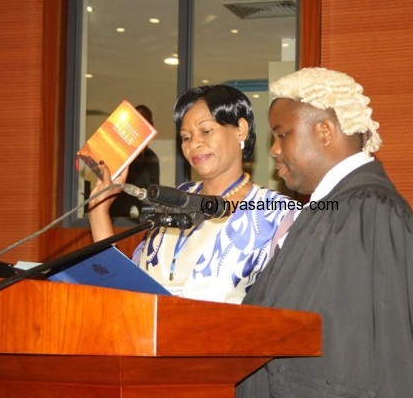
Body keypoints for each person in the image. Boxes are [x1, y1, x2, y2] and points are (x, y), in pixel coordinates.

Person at [237, 68, 413, 397]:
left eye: (282, 134)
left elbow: (385, 356)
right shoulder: (330, 209)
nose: (273, 149)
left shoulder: (372, 210)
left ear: (326, 131)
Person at [88, 85, 293, 303]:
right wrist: (98, 212)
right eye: (186, 137)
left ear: (241, 129)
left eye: (206, 131)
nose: (194, 144)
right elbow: (125, 289)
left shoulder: (276, 213)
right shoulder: (173, 199)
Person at [109, 104, 161, 219]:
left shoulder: (152, 158)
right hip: (119, 219)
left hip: (144, 219)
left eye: (145, 123)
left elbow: (153, 191)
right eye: (138, 122)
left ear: (151, 126)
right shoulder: (119, 153)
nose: (141, 127)